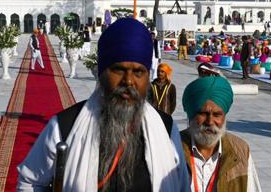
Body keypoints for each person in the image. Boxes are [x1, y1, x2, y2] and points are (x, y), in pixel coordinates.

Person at [17, 19, 189, 191]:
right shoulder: (65, 126)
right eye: (119, 70)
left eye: (138, 72)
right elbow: (30, 181)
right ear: (102, 73)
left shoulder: (165, 128)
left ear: (147, 77)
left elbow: (181, 185)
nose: (128, 81)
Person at [181, 76, 261, 191]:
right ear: (191, 115)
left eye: (217, 115)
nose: (209, 122)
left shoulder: (240, 151)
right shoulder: (172, 148)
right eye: (203, 113)